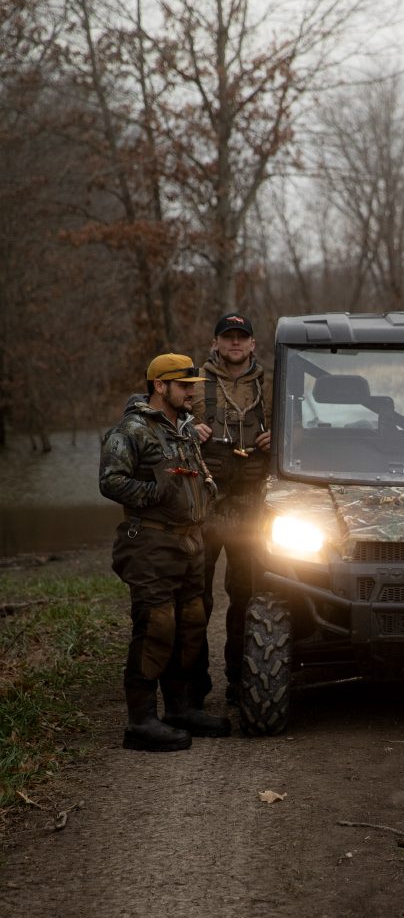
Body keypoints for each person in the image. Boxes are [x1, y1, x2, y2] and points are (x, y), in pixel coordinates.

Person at [99, 354, 231, 751]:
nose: (192, 391)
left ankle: (179, 709)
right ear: (160, 386)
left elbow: (195, 473)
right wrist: (155, 493)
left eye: (193, 384)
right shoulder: (132, 430)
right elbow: (110, 481)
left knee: (190, 625)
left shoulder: (183, 429)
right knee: (156, 627)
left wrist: (206, 491)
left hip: (190, 542)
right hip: (150, 544)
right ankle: (140, 723)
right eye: (184, 384)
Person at [191, 313, 271, 705]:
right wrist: (189, 429)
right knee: (195, 595)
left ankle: (242, 679)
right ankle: (194, 682)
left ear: (253, 344)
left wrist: (280, 437)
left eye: (242, 337)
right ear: (216, 343)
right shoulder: (193, 384)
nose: (235, 343)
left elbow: (305, 427)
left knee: (246, 594)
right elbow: (156, 417)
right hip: (206, 504)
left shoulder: (272, 385)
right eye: (228, 337)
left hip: (250, 506)